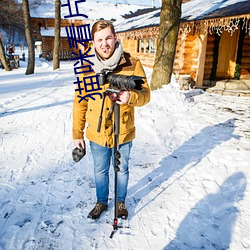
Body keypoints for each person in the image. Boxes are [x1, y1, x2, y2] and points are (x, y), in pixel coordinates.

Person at [72, 20, 150, 220]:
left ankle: (121, 202)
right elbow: (79, 103)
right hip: (97, 133)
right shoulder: (86, 67)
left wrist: (130, 97)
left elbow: (146, 95)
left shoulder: (132, 63)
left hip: (123, 130)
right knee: (100, 170)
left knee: (122, 168)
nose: (104, 43)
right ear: (94, 42)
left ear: (115, 38)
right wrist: (77, 134)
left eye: (108, 38)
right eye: (99, 40)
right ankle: (101, 202)